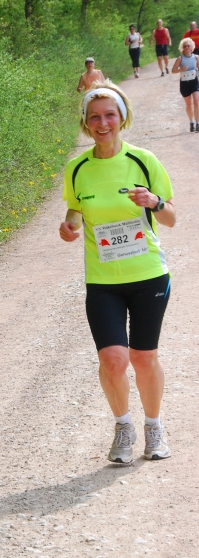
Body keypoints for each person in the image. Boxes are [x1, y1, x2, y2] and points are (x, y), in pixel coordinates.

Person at [59, 80, 176, 464]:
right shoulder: (77, 169)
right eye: (95, 117)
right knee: (112, 359)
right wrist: (69, 226)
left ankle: (153, 426)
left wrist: (155, 201)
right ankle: (123, 426)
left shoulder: (143, 160)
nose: (102, 123)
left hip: (148, 276)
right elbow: (74, 211)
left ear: (121, 118)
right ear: (85, 123)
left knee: (143, 358)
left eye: (110, 115)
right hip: (104, 281)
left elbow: (171, 217)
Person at [171, 37, 199, 132]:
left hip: (194, 82)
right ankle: (191, 122)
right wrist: (181, 70)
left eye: (188, 46)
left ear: (192, 47)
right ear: (183, 48)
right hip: (184, 83)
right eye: (185, 46)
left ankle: (198, 123)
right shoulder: (180, 59)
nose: (187, 47)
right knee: (189, 105)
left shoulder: (196, 57)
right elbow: (173, 70)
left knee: (197, 102)